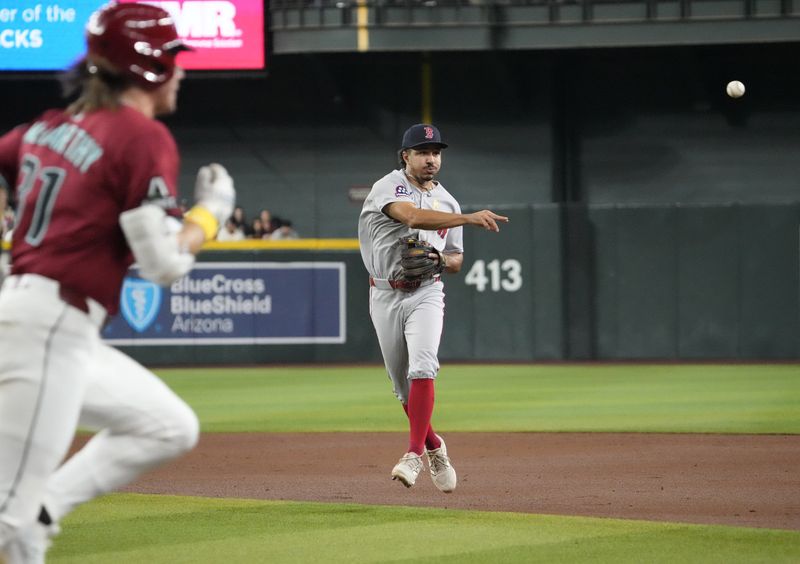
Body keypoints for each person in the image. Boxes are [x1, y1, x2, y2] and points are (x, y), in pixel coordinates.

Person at [0, 3, 235, 562]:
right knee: (8, 527)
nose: (181, 71)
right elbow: (162, 265)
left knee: (168, 426)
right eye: (174, 58)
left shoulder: (48, 127)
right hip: (48, 326)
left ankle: (45, 509)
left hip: (47, 322)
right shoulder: (140, 134)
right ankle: (30, 519)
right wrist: (209, 216)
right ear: (147, 66)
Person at [357, 124, 508, 492]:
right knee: (401, 388)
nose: (431, 159)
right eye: (423, 152)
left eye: (436, 152)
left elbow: (456, 261)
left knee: (423, 365)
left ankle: (413, 455)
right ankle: (435, 446)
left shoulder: (448, 201)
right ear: (405, 156)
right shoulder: (388, 186)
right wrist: (470, 218)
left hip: (426, 292)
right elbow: (411, 216)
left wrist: (440, 260)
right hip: (384, 293)